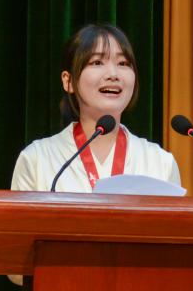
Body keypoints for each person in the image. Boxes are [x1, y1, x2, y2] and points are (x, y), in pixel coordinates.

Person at [10, 24, 182, 193]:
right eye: (97, 62)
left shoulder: (160, 163)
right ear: (68, 81)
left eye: (123, 63)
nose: (113, 74)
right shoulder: (37, 160)